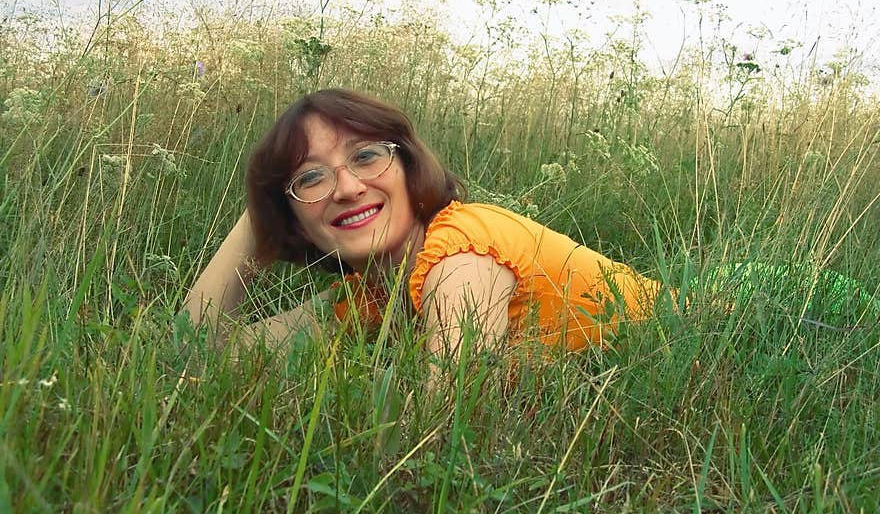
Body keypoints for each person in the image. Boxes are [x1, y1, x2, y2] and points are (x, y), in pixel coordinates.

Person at [181, 88, 669, 384]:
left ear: (409, 168)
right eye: (311, 179)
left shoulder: (463, 251)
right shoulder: (373, 296)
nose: (348, 188)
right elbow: (194, 353)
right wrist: (261, 213)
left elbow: (446, 423)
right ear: (295, 220)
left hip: (705, 317)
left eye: (367, 156)